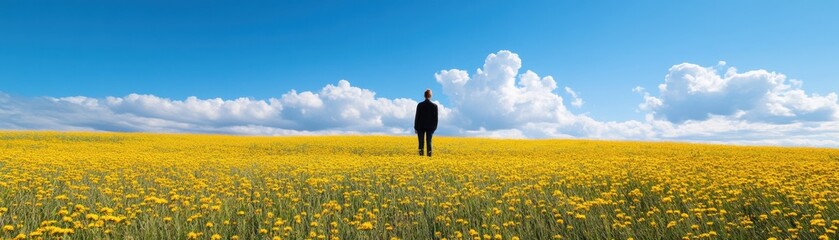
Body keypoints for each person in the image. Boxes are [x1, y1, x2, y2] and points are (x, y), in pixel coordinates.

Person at [414, 89, 438, 157]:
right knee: (429, 142)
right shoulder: (434, 106)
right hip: (430, 127)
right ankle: (429, 157)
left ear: (424, 96)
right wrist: (434, 128)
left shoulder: (420, 105)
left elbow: (417, 117)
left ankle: (421, 157)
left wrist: (415, 127)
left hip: (420, 127)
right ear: (431, 95)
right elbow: (435, 118)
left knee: (421, 143)